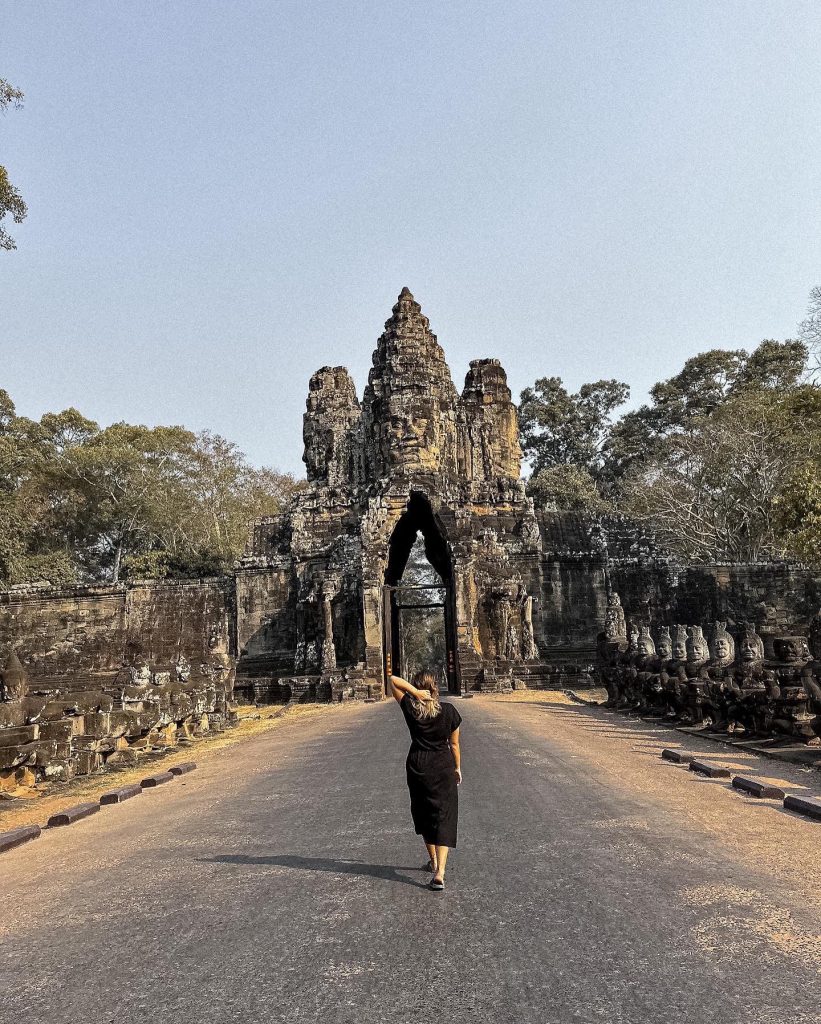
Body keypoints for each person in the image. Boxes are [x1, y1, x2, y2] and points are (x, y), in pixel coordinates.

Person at [389, 670, 462, 891]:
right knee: (443, 814)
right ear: (436, 688)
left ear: (419, 688)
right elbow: (455, 745)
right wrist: (457, 768)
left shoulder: (411, 710)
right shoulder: (448, 711)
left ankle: (433, 861)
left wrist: (413, 693)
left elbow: (392, 680)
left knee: (424, 812)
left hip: (418, 765)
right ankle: (440, 872)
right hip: (442, 766)